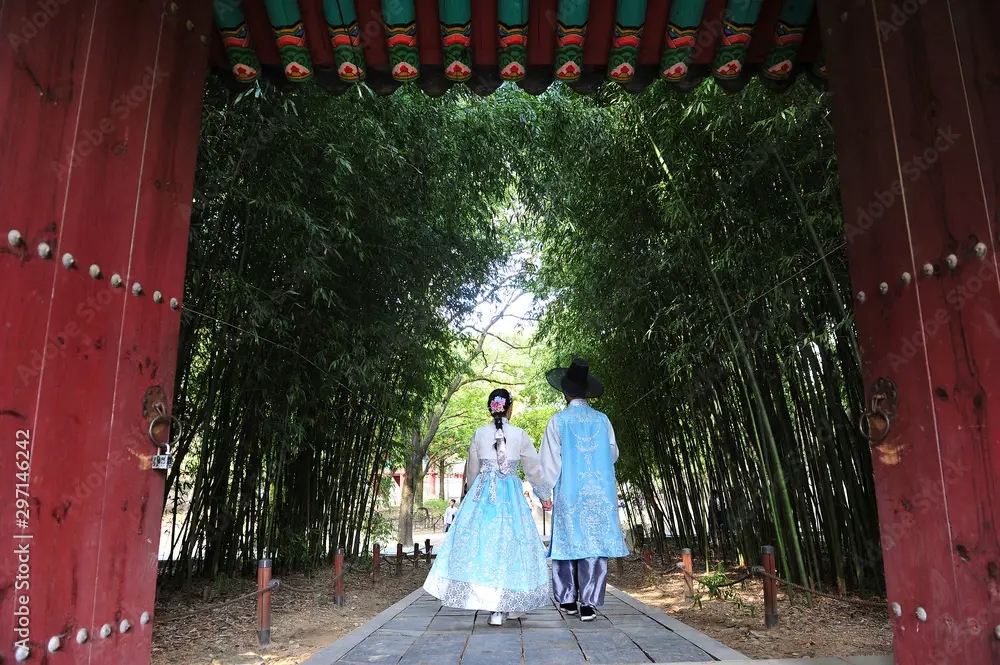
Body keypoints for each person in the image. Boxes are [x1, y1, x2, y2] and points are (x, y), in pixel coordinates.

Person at [423, 388, 553, 627]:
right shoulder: (520, 434)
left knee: (486, 548)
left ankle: (498, 607)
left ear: (491, 408)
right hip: (510, 498)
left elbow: (472, 470)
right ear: (509, 408)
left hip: (484, 496)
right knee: (511, 547)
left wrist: (472, 496)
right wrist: (544, 495)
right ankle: (506, 604)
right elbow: (534, 469)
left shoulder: (479, 433)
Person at [539, 358, 629, 622]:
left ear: (566, 392)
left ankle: (567, 599)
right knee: (593, 544)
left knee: (568, 543)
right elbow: (612, 453)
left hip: (570, 490)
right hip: (599, 492)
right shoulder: (603, 421)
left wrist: (545, 493)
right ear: (586, 391)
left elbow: (549, 461)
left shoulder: (558, 421)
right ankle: (588, 603)